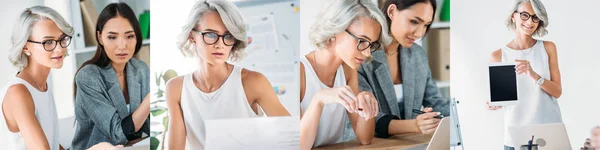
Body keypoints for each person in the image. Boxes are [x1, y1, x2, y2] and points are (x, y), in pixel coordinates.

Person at [165, 1, 291, 149]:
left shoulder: (253, 82)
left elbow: (290, 137)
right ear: (192, 36)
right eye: (211, 34)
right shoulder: (176, 88)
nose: (221, 44)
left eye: (228, 36)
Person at [1, 6, 121, 150]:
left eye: (62, 39)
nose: (59, 48)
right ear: (25, 47)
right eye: (48, 42)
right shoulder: (18, 92)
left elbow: (52, 145)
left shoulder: (41, 87)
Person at [299, 0, 391, 149]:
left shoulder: (348, 70)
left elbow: (365, 139)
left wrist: (366, 103)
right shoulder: (300, 72)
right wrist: (319, 99)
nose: (367, 53)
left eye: (371, 44)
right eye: (362, 41)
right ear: (335, 31)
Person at [357, 0, 449, 138]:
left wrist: (466, 109)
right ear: (392, 12)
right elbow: (363, 117)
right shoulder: (361, 55)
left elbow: (435, 101)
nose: (419, 33)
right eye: (414, 21)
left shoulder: (418, 55)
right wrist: (414, 125)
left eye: (426, 25)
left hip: (409, 144)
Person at [485, 0, 562, 149]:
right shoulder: (498, 56)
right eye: (525, 15)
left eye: (535, 17)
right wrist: (493, 103)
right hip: (516, 135)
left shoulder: (548, 48)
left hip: (549, 132)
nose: (530, 22)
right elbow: (503, 99)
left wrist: (534, 75)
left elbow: (557, 91)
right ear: (514, 16)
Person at [72, 3, 150, 149]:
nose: (122, 45)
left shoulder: (141, 69)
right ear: (100, 37)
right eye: (112, 37)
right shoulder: (88, 77)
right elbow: (118, 134)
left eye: (129, 36)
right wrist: (151, 98)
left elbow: (149, 125)